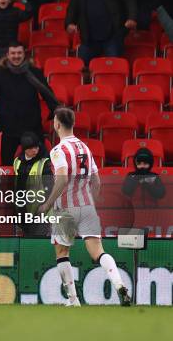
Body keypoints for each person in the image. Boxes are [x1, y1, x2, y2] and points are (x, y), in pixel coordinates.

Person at [37, 107, 131, 307]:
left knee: (62, 253)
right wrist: (91, 201)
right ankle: (119, 284)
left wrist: (48, 203)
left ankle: (73, 300)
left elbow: (61, 179)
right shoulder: (85, 148)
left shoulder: (58, 150)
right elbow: (96, 180)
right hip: (87, 207)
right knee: (98, 252)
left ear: (57, 124)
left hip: (65, 209)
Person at [0, 42, 59, 165]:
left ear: (24, 54)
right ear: (7, 55)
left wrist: (54, 110)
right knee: (6, 166)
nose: (16, 56)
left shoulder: (35, 72)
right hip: (7, 129)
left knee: (39, 165)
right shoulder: (0, 74)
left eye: (19, 53)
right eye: (13, 53)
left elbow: (48, 93)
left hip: (32, 127)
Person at [13, 131, 51, 236]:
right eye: (31, 148)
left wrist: (45, 206)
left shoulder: (45, 162)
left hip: (40, 211)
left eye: (36, 147)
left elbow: (50, 187)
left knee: (37, 242)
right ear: (25, 149)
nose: (35, 150)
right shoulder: (17, 162)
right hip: (23, 210)